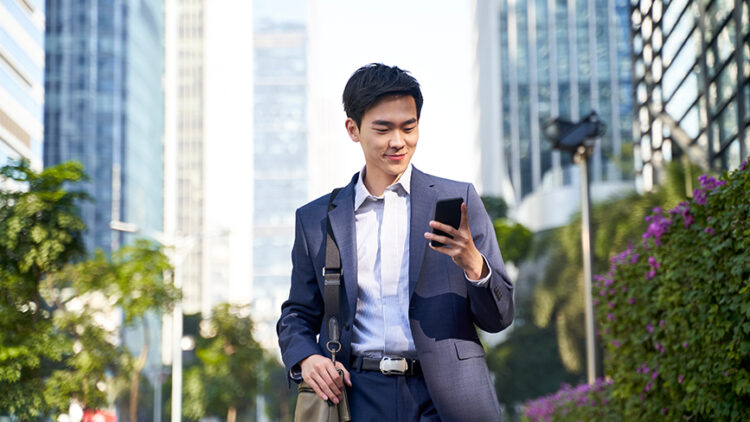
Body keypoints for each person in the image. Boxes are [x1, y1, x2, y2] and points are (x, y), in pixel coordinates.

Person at [277, 63, 514, 421]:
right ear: (353, 130)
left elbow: (500, 317)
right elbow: (296, 313)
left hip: (450, 398)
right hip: (360, 395)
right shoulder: (316, 219)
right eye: (383, 129)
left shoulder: (458, 200)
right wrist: (306, 357)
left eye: (409, 127)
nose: (398, 141)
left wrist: (473, 265)